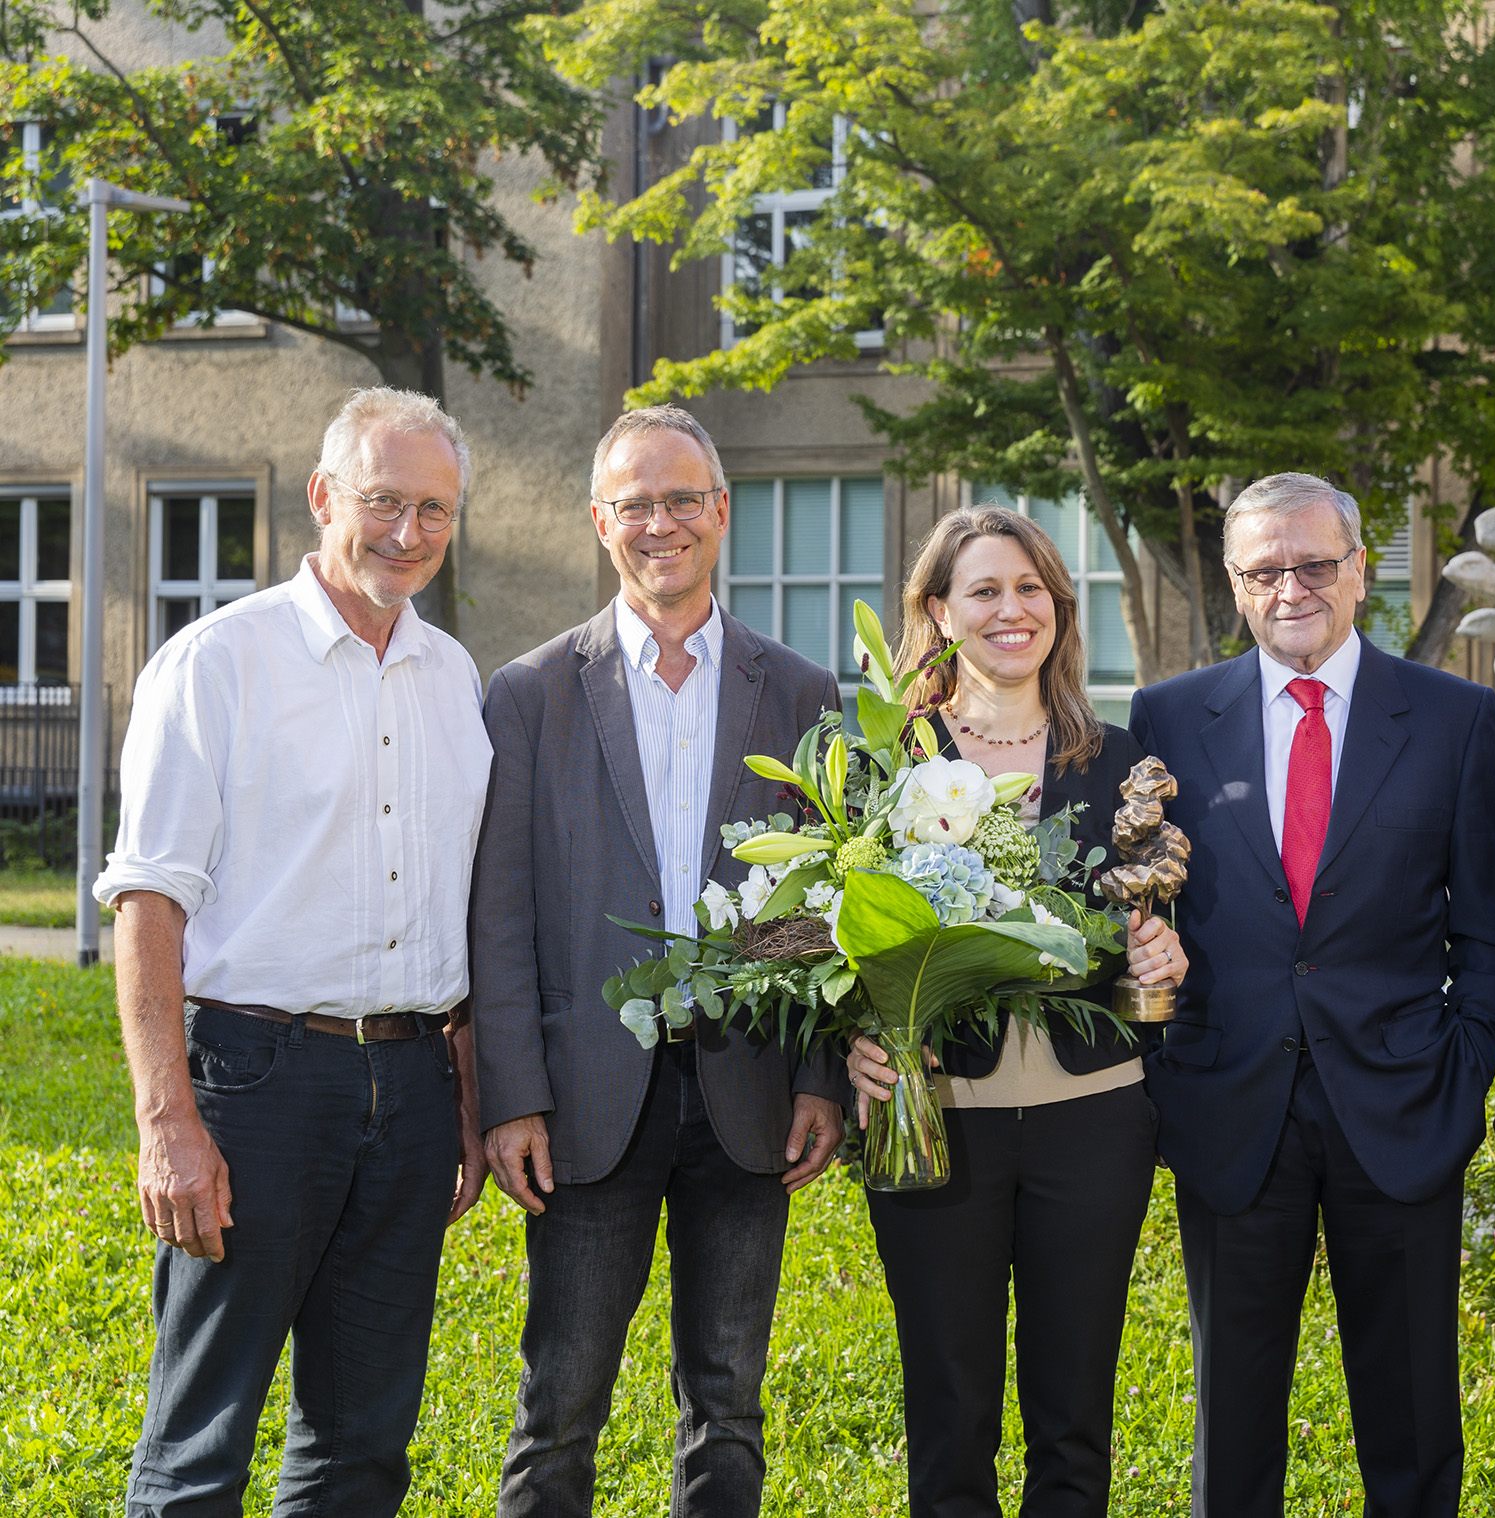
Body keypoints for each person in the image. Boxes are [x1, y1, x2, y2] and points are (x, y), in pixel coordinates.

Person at [97, 386, 493, 1517]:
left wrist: (461, 1093)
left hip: (413, 1088)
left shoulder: (455, 678)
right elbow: (149, 905)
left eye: (434, 510)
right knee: (202, 1440)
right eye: (382, 502)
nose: (407, 534)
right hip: (257, 1084)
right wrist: (167, 1125)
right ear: (324, 497)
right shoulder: (216, 664)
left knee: (364, 1444)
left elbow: (454, 905)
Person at [470, 405, 848, 1518]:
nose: (660, 522)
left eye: (683, 498)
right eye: (635, 501)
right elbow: (503, 912)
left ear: (721, 514)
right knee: (559, 1407)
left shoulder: (800, 692)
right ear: (600, 520)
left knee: (728, 1403)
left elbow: (824, 903)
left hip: (747, 1094)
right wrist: (511, 1095)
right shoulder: (530, 693)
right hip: (584, 1101)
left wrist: (818, 1075)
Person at [1130, 472, 1495, 1518]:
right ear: (1233, 582)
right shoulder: (1167, 716)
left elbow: (1488, 931)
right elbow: (1144, 917)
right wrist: (1165, 1062)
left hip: (1398, 1112)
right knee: (1234, 1427)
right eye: (1265, 570)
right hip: (1230, 1108)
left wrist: (1460, 1072)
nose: (1291, 587)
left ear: (1359, 571)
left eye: (1313, 564)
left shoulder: (1451, 717)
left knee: (1410, 1425)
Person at [843, 504, 1188, 1518]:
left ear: (1058, 608)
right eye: (984, 590)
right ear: (938, 612)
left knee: (1074, 1411)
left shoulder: (1118, 760)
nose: (1010, 609)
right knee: (948, 1414)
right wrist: (852, 1045)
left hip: (1095, 1118)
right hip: (935, 1113)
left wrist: (1168, 954)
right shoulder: (885, 761)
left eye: (1030, 588)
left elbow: (1162, 932)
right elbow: (830, 933)